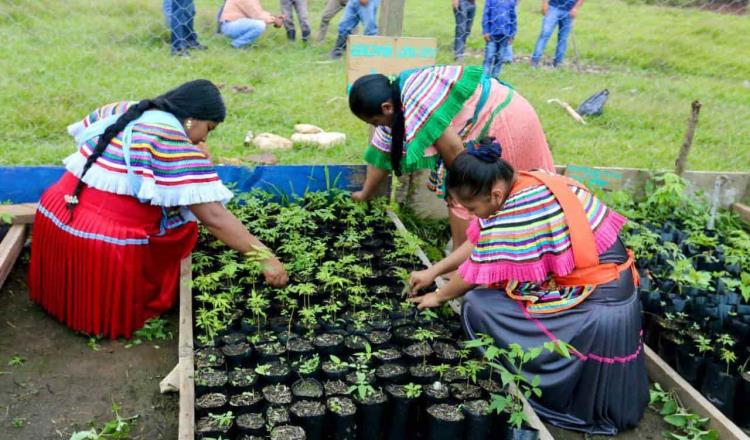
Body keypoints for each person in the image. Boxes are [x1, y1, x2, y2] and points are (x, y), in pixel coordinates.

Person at [407, 145, 649, 435]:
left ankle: (543, 381)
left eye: (472, 209)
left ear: (494, 194)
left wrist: (439, 295)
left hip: (600, 306)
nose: (471, 216)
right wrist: (433, 271)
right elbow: (482, 239)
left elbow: (474, 273)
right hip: (611, 288)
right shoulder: (524, 181)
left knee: (478, 304)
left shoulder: (520, 212)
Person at [28, 80, 288, 340]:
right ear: (191, 120)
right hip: (104, 240)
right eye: (208, 128)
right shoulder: (171, 142)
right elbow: (214, 217)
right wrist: (264, 257)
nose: (205, 138)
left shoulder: (127, 109)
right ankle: (128, 308)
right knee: (183, 228)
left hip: (58, 212)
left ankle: (60, 300)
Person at [347, 65, 553, 250]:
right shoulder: (394, 103)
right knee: (477, 192)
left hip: (504, 118)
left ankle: (464, 263)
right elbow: (381, 154)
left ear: (385, 108)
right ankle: (480, 248)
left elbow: (455, 154)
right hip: (488, 119)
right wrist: (365, 194)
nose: (378, 127)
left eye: (376, 122)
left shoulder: (415, 98)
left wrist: (459, 194)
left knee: (469, 191)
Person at [530, 0, 584, 67]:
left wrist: (575, 8)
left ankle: (558, 63)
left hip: (569, 11)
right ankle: (535, 60)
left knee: (563, 38)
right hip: (553, 7)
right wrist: (544, 3)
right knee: (545, 33)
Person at [218, 0, 284, 49]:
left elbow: (259, 12)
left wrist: (274, 17)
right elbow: (257, 15)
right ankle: (236, 45)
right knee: (259, 25)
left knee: (260, 23)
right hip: (230, 26)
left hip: (233, 25)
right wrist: (275, 20)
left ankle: (239, 44)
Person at [482, 0, 517, 77]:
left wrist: (512, 35)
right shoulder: (490, 1)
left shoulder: (511, 1)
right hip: (492, 34)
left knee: (500, 58)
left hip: (505, 35)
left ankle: (495, 78)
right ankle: (484, 79)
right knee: (489, 56)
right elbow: (486, 15)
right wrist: (485, 31)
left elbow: (513, 18)